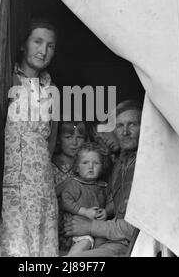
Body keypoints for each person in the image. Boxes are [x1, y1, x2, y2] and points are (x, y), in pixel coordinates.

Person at [0, 18, 59, 257]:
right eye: (38, 41)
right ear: (24, 44)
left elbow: (51, 142)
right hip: (10, 188)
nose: (43, 51)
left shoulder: (51, 90)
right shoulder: (7, 79)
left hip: (42, 189)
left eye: (51, 46)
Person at [64, 100, 142, 257]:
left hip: (132, 245)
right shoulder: (121, 164)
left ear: (144, 127)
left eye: (132, 124)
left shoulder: (145, 166)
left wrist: (91, 226)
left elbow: (135, 229)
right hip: (112, 241)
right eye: (120, 126)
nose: (125, 132)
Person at [61, 142, 113, 255]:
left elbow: (112, 202)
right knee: (86, 241)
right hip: (77, 230)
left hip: (97, 228)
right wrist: (84, 212)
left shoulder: (104, 186)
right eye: (85, 163)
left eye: (96, 163)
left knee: (103, 243)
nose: (91, 167)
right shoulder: (75, 184)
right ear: (77, 167)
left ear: (102, 167)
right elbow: (66, 201)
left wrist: (106, 212)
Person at [51, 121, 87, 252]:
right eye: (68, 137)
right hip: (55, 228)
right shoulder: (50, 164)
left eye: (79, 137)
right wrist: (70, 180)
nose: (74, 142)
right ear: (59, 139)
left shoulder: (87, 164)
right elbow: (48, 194)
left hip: (78, 229)